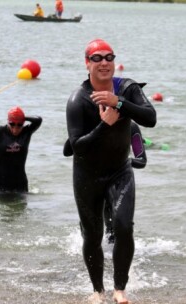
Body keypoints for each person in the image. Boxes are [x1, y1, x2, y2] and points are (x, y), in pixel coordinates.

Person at [65, 38, 156, 303]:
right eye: (97, 58)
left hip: (119, 171)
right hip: (87, 175)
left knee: (123, 226)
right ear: (87, 64)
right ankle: (97, 290)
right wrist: (104, 125)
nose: (104, 63)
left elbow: (149, 118)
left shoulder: (127, 88)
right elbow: (77, 147)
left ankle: (119, 289)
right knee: (92, 235)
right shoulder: (77, 100)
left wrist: (119, 102)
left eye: (109, 57)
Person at [63, 121, 148, 244]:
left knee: (114, 226)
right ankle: (87, 256)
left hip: (117, 180)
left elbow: (142, 160)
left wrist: (123, 161)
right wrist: (88, 128)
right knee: (90, 229)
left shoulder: (131, 126)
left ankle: (113, 256)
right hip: (91, 179)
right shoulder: (90, 123)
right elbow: (67, 151)